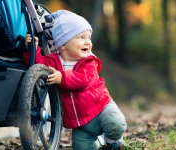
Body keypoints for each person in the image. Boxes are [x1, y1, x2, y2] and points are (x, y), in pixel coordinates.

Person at [23, 10, 127, 150]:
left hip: (101, 109)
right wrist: (31, 49)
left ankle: (112, 141)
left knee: (116, 124)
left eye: (89, 38)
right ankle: (99, 144)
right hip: (81, 124)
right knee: (82, 147)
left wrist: (62, 77)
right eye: (81, 37)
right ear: (63, 45)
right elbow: (37, 65)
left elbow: (84, 80)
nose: (87, 42)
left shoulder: (89, 61)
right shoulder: (53, 62)